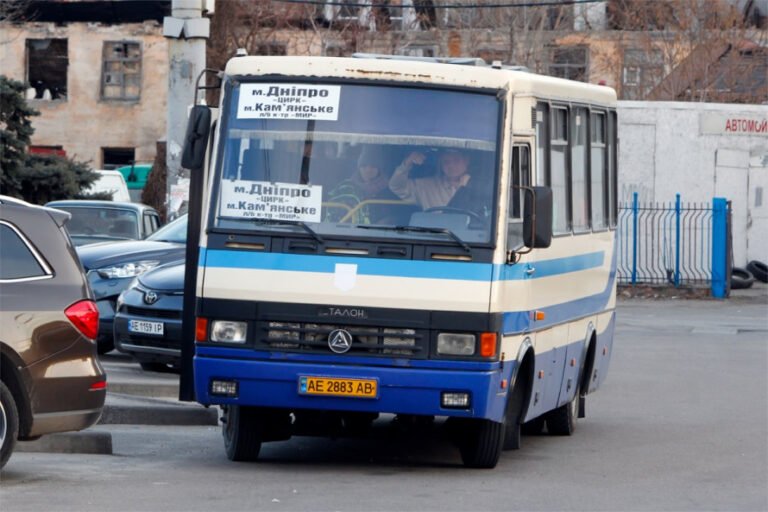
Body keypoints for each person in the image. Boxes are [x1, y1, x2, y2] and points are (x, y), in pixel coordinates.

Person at [325, 146, 396, 224]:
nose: (368, 170)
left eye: (373, 166)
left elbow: (397, 216)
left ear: (380, 169)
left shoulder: (391, 188)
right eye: (364, 166)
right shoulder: (347, 187)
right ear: (359, 168)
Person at [388, 148, 472, 210]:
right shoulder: (426, 186)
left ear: (467, 161)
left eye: (456, 160)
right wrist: (407, 163)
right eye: (446, 162)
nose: (451, 165)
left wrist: (463, 187)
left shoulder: (480, 186)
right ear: (441, 165)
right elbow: (396, 186)